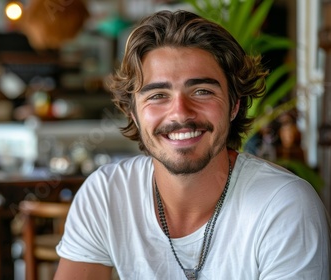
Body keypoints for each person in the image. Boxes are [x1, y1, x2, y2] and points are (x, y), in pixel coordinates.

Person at [54, 9, 330, 280]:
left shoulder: (282, 205)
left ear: (234, 105)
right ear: (133, 113)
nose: (181, 113)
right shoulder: (107, 194)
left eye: (202, 91)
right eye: (158, 95)